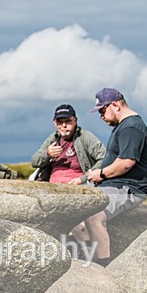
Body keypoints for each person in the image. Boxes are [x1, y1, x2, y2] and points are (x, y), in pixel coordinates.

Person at [84, 88, 147, 266]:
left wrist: (100, 174)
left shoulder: (131, 127)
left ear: (115, 105)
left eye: (102, 111)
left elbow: (126, 163)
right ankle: (83, 257)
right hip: (112, 184)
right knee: (74, 207)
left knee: (93, 216)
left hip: (127, 188)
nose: (101, 116)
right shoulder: (123, 126)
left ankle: (103, 266)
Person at [30, 104, 106, 245]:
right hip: (53, 187)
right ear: (55, 123)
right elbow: (34, 161)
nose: (64, 126)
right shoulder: (53, 139)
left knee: (76, 220)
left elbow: (104, 158)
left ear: (75, 121)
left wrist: (83, 178)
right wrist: (47, 154)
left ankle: (85, 251)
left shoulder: (85, 137)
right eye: (60, 122)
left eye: (68, 121)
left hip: (77, 186)